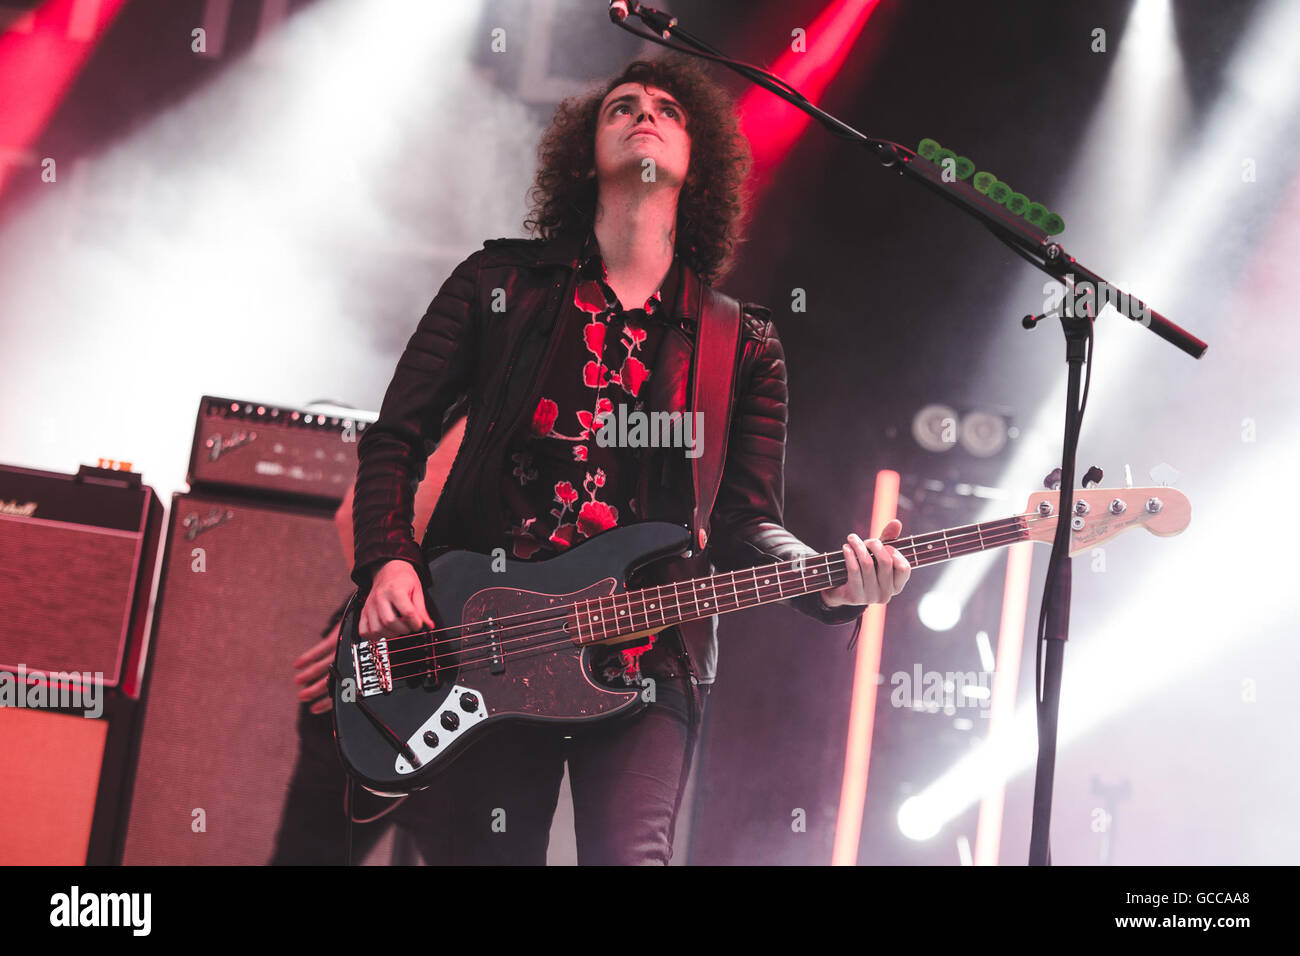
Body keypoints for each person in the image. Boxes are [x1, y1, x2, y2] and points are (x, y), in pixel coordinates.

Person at [279, 55, 910, 866]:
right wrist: (387, 565)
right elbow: (396, 440)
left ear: (699, 165)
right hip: (488, 646)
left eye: (667, 110)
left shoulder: (742, 344)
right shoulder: (496, 283)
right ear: (586, 154)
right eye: (622, 105)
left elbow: (747, 519)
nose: (644, 111)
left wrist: (830, 581)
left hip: (648, 657)